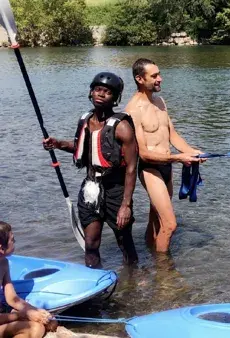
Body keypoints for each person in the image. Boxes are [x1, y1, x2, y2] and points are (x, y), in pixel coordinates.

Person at [43, 72, 138, 268]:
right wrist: (58, 143)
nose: (101, 94)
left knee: (124, 241)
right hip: (91, 188)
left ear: (115, 98)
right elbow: (82, 148)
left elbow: (131, 168)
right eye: (97, 90)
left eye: (107, 92)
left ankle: (133, 279)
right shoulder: (85, 120)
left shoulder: (122, 127)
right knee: (91, 242)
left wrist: (125, 205)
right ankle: (94, 280)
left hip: (116, 190)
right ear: (91, 92)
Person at [124, 58, 204, 253]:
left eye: (159, 74)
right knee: (170, 225)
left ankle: (150, 254)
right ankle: (164, 275)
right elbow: (143, 154)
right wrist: (178, 158)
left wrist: (192, 152)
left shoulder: (160, 101)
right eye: (154, 76)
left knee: (156, 217)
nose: (160, 78)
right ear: (139, 79)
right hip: (150, 168)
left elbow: (172, 135)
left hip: (166, 165)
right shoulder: (133, 111)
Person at [0, 221, 56, 338]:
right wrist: (22, 315)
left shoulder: (3, 263)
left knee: (40, 323)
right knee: (35, 328)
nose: (15, 242)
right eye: (12, 240)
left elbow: (13, 299)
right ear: (1, 247)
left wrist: (38, 312)